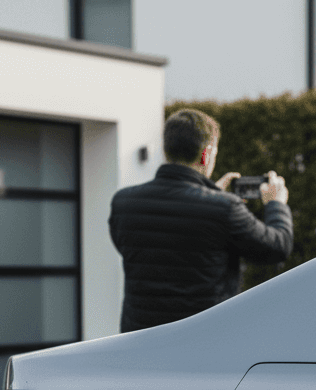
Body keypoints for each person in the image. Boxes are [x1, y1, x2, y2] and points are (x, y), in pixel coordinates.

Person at [109, 108, 293, 333]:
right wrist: (276, 203)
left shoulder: (123, 203)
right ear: (206, 154)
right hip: (202, 342)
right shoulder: (224, 208)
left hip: (140, 341)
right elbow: (277, 246)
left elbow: (155, 248)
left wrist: (212, 194)